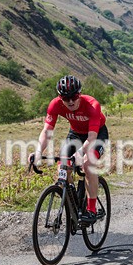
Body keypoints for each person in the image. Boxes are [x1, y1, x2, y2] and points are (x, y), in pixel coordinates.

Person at [30, 75, 108, 226]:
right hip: (75, 134)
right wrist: (38, 151)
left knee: (87, 164)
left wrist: (80, 153)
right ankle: (73, 200)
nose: (70, 101)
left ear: (79, 94)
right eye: (66, 98)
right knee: (63, 167)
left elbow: (92, 137)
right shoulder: (55, 105)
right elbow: (47, 131)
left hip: (97, 134)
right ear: (60, 97)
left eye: (74, 96)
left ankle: (91, 209)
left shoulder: (92, 105)